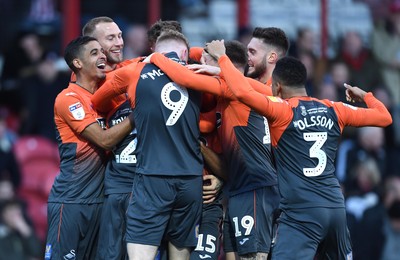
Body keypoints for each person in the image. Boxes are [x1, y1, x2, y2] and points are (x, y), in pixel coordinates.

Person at [204, 40, 392, 259]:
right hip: (335, 210)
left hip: (301, 215)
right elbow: (385, 117)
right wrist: (365, 95)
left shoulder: (282, 111)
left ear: (278, 87)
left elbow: (243, 93)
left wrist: (222, 57)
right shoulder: (334, 108)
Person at [146, 40, 279, 259]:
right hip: (239, 189)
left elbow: (185, 77)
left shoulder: (232, 91)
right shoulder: (237, 93)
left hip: (253, 188)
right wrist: (210, 59)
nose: (198, 64)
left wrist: (154, 58)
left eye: (203, 61)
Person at [94, 30, 204, 260]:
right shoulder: (199, 75)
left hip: (153, 177)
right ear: (184, 53)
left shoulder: (134, 72)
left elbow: (98, 100)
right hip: (191, 179)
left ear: (154, 51)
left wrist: (137, 106)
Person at [44, 35, 134, 260]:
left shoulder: (104, 95)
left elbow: (134, 65)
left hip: (101, 202)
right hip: (72, 201)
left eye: (101, 52)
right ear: (77, 63)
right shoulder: (68, 98)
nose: (102, 55)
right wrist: (139, 114)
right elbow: (104, 141)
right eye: (94, 53)